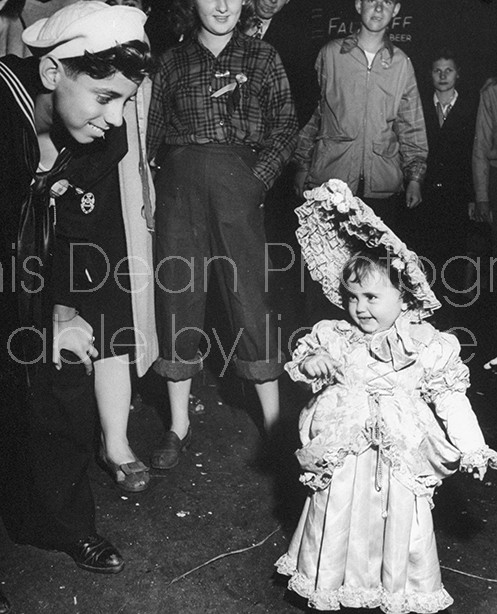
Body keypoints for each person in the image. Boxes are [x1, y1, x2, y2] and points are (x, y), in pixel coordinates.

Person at [275, 179, 497, 613]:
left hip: (400, 458)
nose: (359, 308)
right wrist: (311, 364)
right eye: (353, 296)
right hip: (346, 459)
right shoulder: (336, 336)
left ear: (404, 295)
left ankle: (394, 592)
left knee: (399, 524)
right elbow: (304, 368)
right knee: (337, 519)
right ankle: (333, 585)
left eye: (372, 297)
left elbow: (451, 397)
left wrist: (473, 446)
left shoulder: (425, 344)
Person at [0, 1, 155, 572]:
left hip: (35, 266)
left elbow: (76, 228)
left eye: (126, 101)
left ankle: (61, 522)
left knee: (61, 373)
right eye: (104, 96)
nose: (116, 119)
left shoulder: (100, 139)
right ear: (51, 74)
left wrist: (61, 315)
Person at [146, 0, 298, 469]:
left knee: (249, 299)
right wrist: (152, 196)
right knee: (178, 296)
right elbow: (150, 140)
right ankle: (178, 424)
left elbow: (286, 127)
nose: (222, 5)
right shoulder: (171, 61)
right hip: (179, 188)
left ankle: (274, 425)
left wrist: (255, 181)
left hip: (239, 185)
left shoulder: (263, 57)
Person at [294, 0, 427, 232]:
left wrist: (414, 178)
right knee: (328, 265)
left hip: (382, 187)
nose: (378, 9)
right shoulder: (330, 54)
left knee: (373, 266)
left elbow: (411, 126)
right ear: (358, 5)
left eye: (386, 2)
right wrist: (301, 165)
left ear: (395, 10)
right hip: (331, 183)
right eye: (371, 1)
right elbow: (313, 115)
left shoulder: (402, 64)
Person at [417, 49, 477, 311]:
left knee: (454, 250)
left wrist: (475, 196)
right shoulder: (418, 105)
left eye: (448, 70)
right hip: (424, 192)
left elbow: (475, 155)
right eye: (437, 70)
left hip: (457, 193)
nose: (442, 76)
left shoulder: (471, 107)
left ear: (457, 74)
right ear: (430, 74)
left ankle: (452, 310)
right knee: (424, 249)